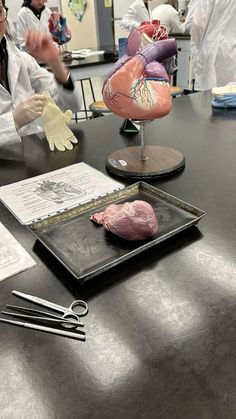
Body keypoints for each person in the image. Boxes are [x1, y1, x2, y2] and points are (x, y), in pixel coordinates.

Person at [0, 0, 81, 148]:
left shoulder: (20, 60)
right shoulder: (24, 14)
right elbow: (22, 40)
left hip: (32, 152)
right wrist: (13, 121)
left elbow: (72, 105)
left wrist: (54, 62)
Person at [190, 0, 236, 91]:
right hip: (232, 53)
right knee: (231, 97)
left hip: (210, 48)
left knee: (206, 98)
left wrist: (201, 45)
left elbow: (198, 24)